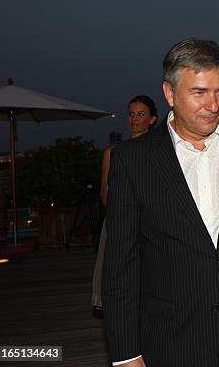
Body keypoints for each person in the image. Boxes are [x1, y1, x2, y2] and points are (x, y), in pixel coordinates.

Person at [103, 39, 219, 367]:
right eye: (199, 92)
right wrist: (126, 353)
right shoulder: (133, 160)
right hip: (173, 337)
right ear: (169, 93)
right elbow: (120, 265)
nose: (213, 105)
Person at [91, 95, 158, 317]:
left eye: (141, 114)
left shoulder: (159, 151)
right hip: (120, 218)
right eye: (131, 114)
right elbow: (104, 194)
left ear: (152, 119)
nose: (134, 119)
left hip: (150, 220)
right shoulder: (113, 152)